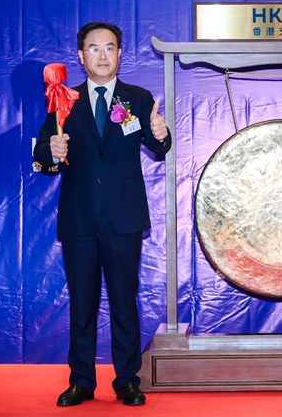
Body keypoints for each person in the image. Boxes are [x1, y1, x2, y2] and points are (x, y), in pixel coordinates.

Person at [34, 22, 171, 406]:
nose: (102, 55)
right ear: (81, 56)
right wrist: (51, 152)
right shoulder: (64, 100)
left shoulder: (137, 98)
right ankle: (81, 381)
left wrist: (161, 133)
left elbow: (158, 145)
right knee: (82, 304)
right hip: (79, 217)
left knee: (125, 301)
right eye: (94, 48)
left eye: (109, 47)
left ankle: (127, 379)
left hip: (123, 216)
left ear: (120, 54)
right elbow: (42, 152)